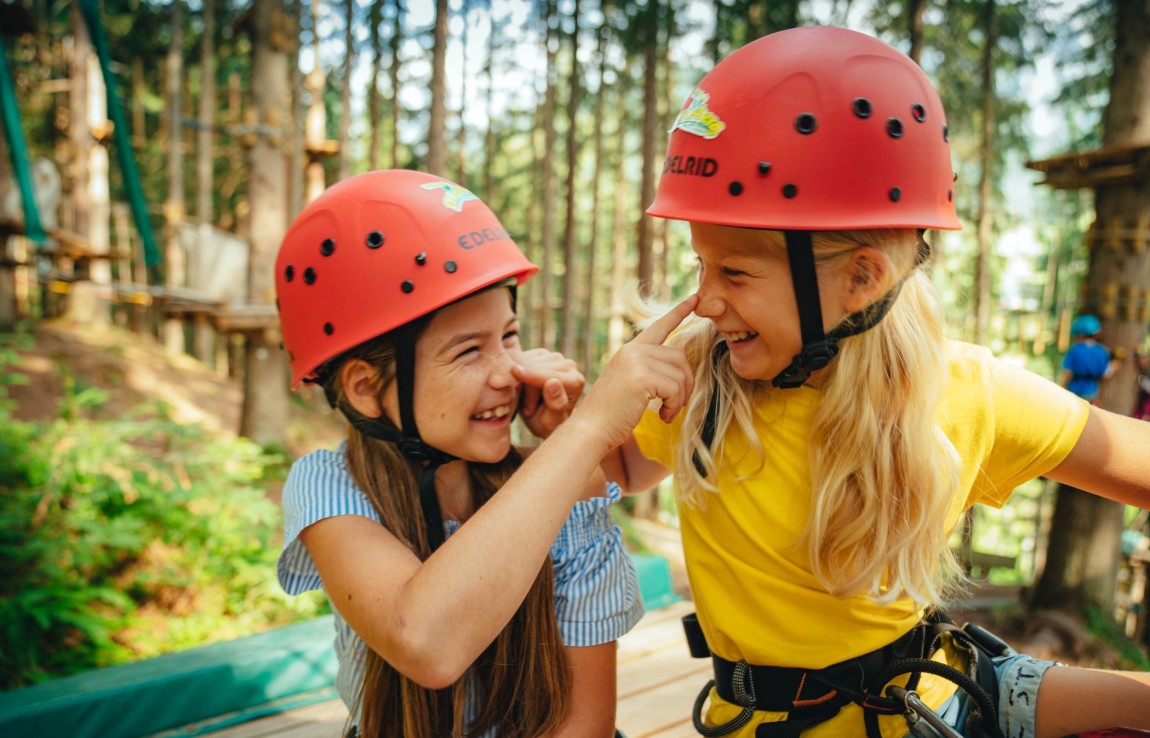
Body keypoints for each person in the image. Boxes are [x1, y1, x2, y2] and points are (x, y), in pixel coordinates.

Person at [602, 26, 1150, 738]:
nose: (705, 300)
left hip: (933, 704)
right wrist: (569, 418)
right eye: (701, 265)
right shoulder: (704, 381)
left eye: (734, 272)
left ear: (862, 276)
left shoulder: (966, 392)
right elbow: (619, 467)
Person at [273, 169, 697, 737]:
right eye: (468, 350)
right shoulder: (330, 484)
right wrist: (584, 432)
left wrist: (568, 443)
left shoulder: (569, 488)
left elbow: (583, 726)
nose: (507, 373)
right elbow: (426, 642)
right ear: (366, 388)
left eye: (510, 335)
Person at [1061, 315, 1117, 404]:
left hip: (1073, 391)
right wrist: (1116, 362)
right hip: (1091, 393)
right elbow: (1106, 374)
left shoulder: (1075, 349)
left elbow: (1068, 372)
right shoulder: (1101, 351)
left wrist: (1061, 388)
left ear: (1079, 334)